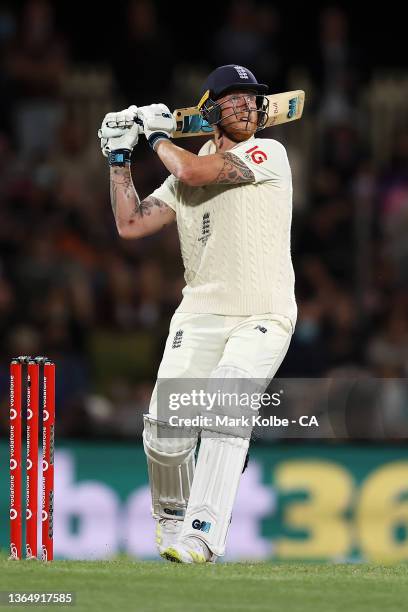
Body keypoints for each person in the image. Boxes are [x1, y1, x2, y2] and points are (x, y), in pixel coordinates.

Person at [98, 65, 297, 563]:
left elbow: (188, 171)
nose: (247, 107)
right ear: (210, 111)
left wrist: (157, 136)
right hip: (201, 314)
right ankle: (171, 516)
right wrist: (119, 158)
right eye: (233, 100)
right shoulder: (186, 169)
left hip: (264, 312)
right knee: (164, 428)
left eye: (252, 100)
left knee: (229, 402)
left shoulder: (268, 152)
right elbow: (130, 223)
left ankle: (202, 534)